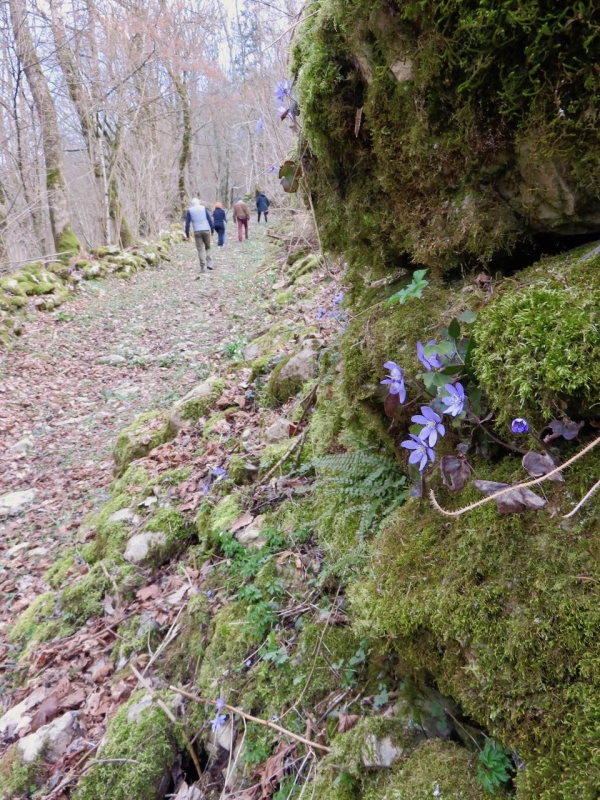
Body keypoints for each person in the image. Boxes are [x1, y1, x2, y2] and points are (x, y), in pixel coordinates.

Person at [185, 197, 214, 273]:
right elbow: (209, 219)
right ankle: (209, 263)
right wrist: (212, 229)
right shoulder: (203, 208)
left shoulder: (190, 210)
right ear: (198, 202)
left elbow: (187, 224)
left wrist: (187, 234)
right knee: (208, 247)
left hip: (197, 232)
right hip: (206, 230)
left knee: (200, 249)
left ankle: (202, 267)